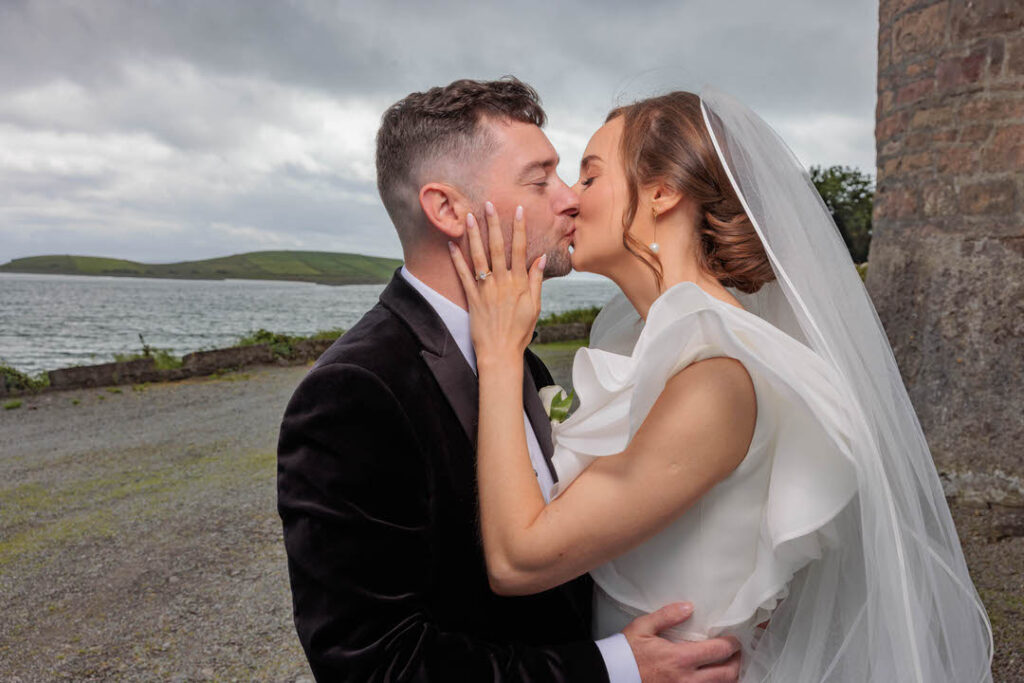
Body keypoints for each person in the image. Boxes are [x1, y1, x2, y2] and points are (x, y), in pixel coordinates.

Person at [450, 87, 994, 682]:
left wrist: (500, 353)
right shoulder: (651, 345)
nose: (569, 200)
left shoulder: (716, 375)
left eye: (589, 176)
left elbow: (517, 560)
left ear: (662, 192)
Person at [276, 77, 742, 682]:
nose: (570, 198)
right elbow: (372, 663)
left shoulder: (519, 356)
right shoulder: (355, 392)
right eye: (540, 179)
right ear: (447, 209)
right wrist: (613, 668)